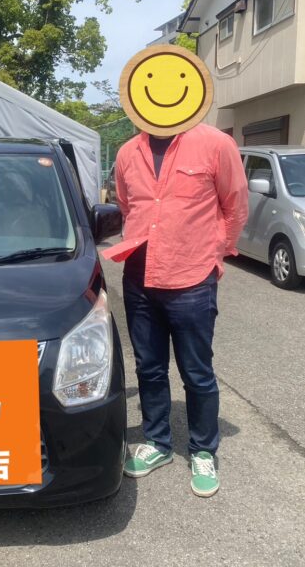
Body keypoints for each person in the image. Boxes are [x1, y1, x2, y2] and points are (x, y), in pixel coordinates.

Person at [112, 124, 248, 497]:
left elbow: (235, 204)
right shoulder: (128, 152)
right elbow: (127, 205)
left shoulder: (216, 144)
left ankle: (203, 450)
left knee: (197, 372)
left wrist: (215, 253)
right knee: (149, 368)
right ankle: (158, 442)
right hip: (139, 278)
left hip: (192, 277)